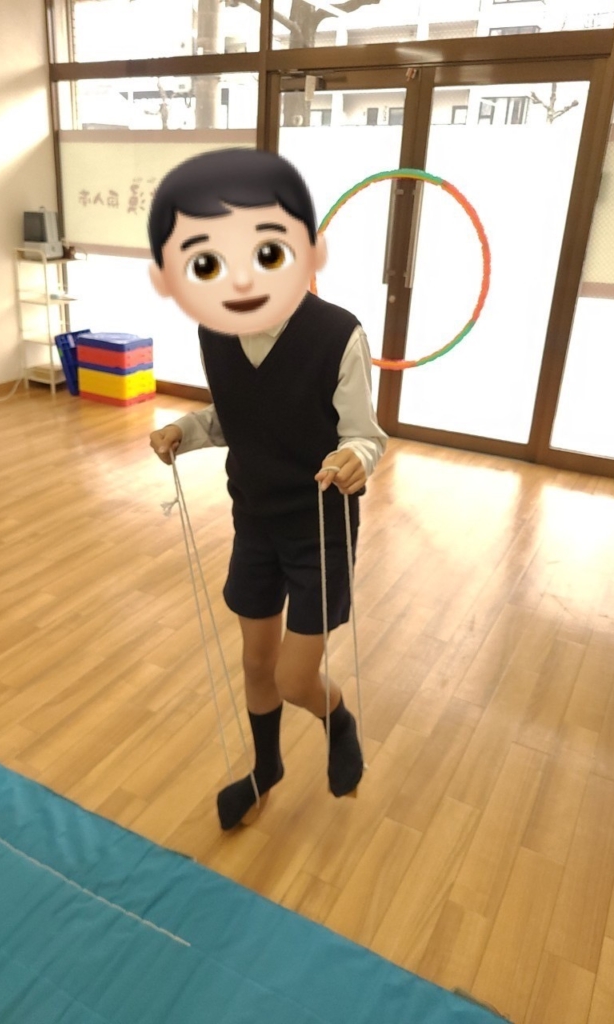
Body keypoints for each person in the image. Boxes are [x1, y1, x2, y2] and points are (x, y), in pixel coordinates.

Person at [147, 148, 387, 830]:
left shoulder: (337, 334)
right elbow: (240, 415)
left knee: (293, 677)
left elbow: (366, 435)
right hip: (253, 519)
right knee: (256, 661)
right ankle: (265, 768)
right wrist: (185, 429)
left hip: (318, 527)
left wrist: (354, 459)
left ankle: (336, 717)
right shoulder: (214, 330)